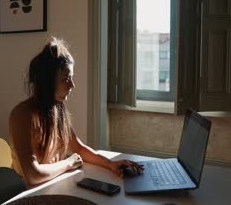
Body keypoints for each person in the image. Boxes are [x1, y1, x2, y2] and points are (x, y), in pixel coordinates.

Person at [9, 37, 143, 187]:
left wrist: (111, 164)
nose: (72, 85)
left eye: (71, 77)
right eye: (65, 79)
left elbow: (78, 148)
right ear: (47, 81)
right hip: (26, 192)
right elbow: (33, 175)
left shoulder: (57, 108)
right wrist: (68, 162)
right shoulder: (22, 115)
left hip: (51, 185)